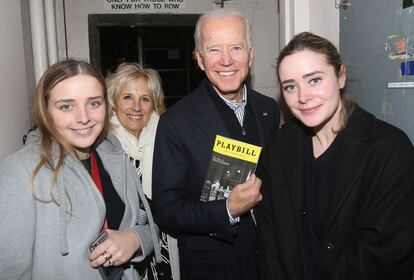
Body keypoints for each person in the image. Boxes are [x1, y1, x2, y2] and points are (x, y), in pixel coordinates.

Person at [256, 32, 414, 280]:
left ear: (340, 76)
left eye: (315, 80)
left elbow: (382, 260)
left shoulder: (389, 149)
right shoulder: (278, 149)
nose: (303, 96)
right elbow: (269, 246)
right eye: (290, 86)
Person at [0, 59, 161, 279]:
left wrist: (134, 239)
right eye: (66, 106)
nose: (83, 118)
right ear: (45, 110)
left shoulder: (113, 155)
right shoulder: (19, 173)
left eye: (94, 103)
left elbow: (149, 224)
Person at [152, 8, 280, 280]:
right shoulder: (176, 121)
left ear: (251, 53)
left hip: (272, 259)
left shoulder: (269, 109)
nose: (226, 60)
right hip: (213, 265)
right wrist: (226, 210)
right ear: (199, 59)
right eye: (213, 50)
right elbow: (166, 210)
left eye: (236, 47)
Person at [106, 62, 180, 280]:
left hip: (165, 242)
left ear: (154, 104)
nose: (136, 107)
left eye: (145, 99)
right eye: (127, 97)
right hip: (121, 247)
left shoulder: (169, 139)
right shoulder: (103, 146)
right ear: (113, 102)